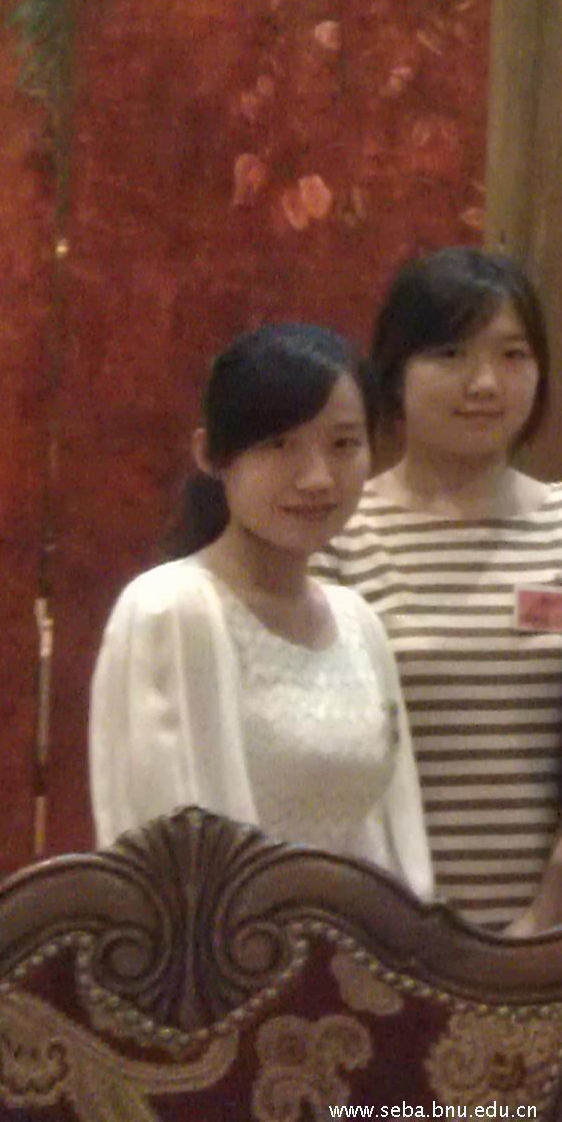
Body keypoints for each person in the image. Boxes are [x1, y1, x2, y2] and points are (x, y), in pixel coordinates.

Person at [321, 249, 562, 933]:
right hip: (374, 931)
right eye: (450, 354)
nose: (485, 383)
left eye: (512, 355)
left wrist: (550, 911)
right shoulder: (337, 535)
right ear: (393, 372)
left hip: (556, 934)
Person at [90, 323, 431, 891]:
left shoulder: (357, 622)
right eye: (279, 444)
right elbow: (167, 856)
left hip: (350, 941)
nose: (318, 477)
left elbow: (383, 840)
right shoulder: (169, 610)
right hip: (223, 943)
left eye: (343, 444)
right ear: (211, 455)